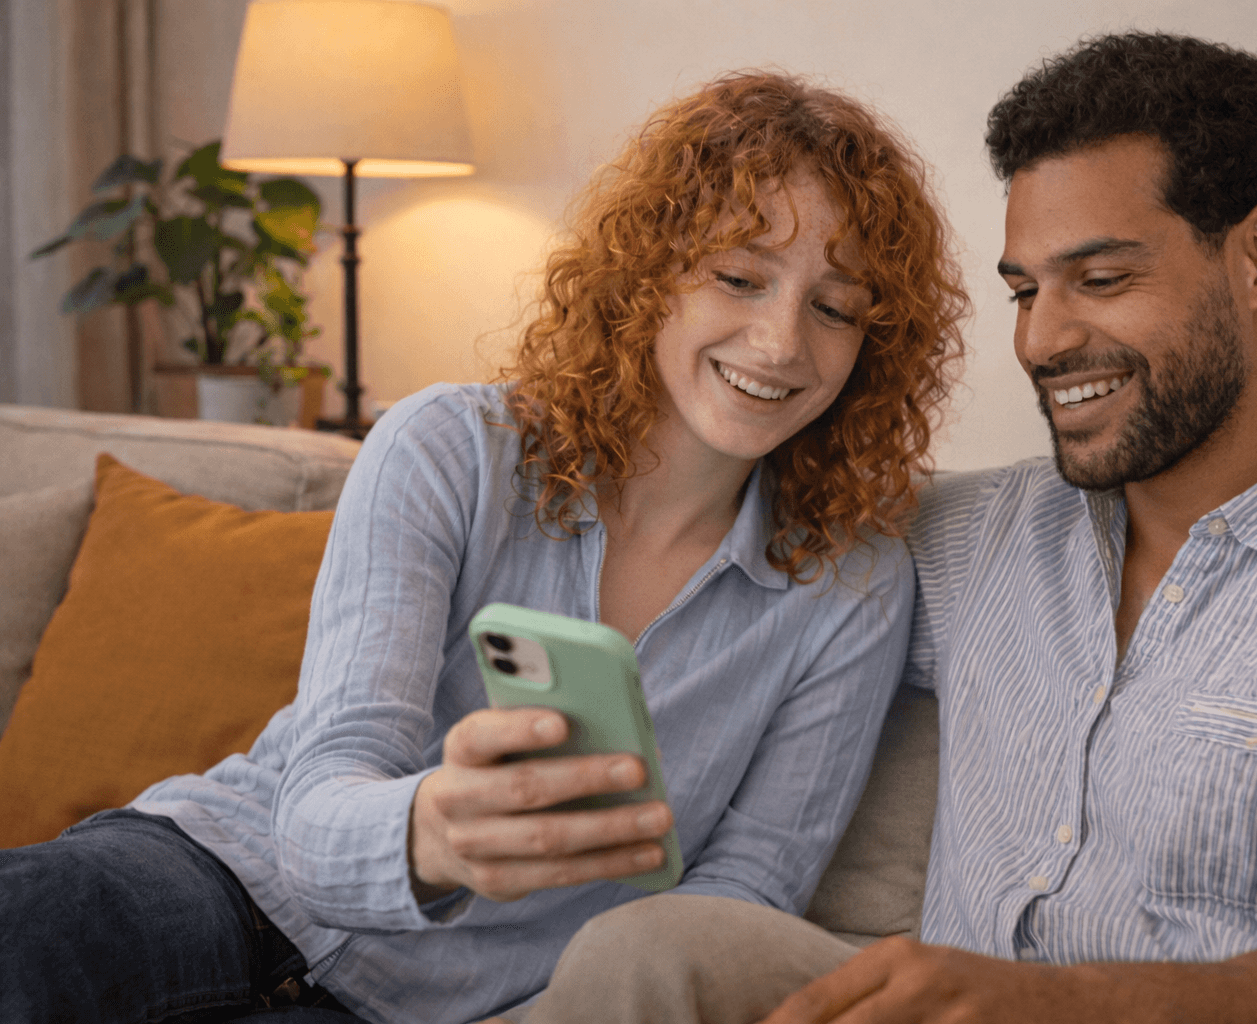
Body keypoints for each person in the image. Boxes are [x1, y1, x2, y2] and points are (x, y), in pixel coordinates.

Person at [522, 32, 1257, 1024]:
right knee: (650, 949)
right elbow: (710, 519)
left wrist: (1045, 1004)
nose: (1043, 339)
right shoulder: (969, 536)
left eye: (1100, 280)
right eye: (1024, 290)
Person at [0, 72, 968, 1024]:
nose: (781, 341)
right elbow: (323, 786)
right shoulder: (451, 447)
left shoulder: (851, 580)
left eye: (836, 308)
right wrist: (430, 834)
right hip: (215, 868)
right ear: (650, 274)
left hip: (439, 1004)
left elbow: (742, 899)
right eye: (739, 277)